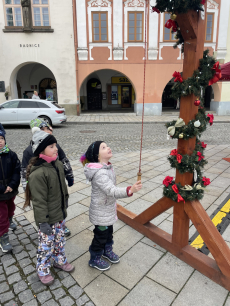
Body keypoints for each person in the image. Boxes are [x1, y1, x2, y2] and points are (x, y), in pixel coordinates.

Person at [80, 141, 142, 271]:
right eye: (103, 147)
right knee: (100, 236)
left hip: (107, 209)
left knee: (108, 233)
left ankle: (106, 251)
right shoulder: (100, 173)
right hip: (101, 211)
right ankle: (95, 258)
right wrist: (130, 190)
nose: (108, 147)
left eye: (107, 145)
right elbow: (112, 191)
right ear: (98, 156)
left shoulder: (107, 167)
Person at [24, 127, 74, 286]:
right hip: (47, 219)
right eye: (51, 146)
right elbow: (38, 201)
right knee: (46, 247)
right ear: (41, 150)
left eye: (56, 145)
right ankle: (43, 269)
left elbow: (62, 187)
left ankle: (59, 261)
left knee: (60, 242)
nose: (56, 149)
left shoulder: (57, 165)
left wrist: (65, 201)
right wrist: (42, 222)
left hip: (59, 214)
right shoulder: (38, 174)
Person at [21, 118, 74, 237]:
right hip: (42, 184)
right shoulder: (29, 151)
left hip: (55, 185)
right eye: (42, 129)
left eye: (47, 128)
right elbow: (25, 171)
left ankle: (61, 225)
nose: (46, 131)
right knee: (44, 204)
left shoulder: (54, 147)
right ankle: (46, 225)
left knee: (58, 208)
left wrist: (69, 175)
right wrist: (27, 188)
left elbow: (64, 160)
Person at [0, 124, 20, 252]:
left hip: (11, 190)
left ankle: (10, 218)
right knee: (1, 215)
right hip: (0, 193)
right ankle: (3, 236)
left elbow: (17, 171)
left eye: (1, 139)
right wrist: (2, 188)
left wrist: (12, 185)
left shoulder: (11, 154)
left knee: (11, 207)